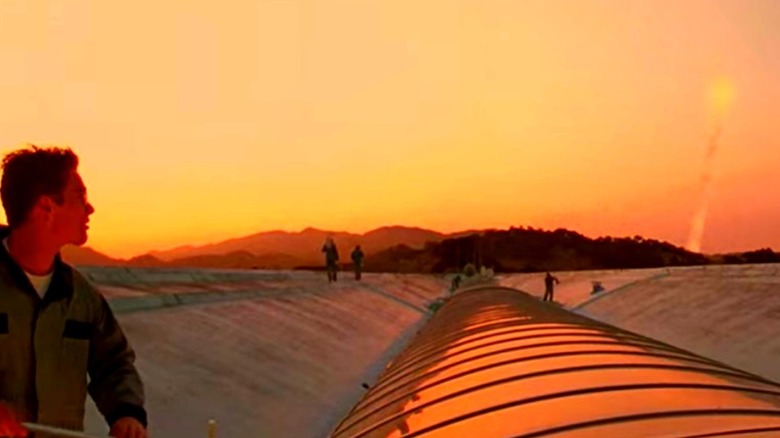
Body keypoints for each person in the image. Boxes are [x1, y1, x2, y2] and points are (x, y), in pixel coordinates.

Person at [0, 146, 147, 437]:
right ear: (46, 207)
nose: (89, 208)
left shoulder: (81, 297)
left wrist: (127, 413)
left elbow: (114, 363)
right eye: (80, 196)